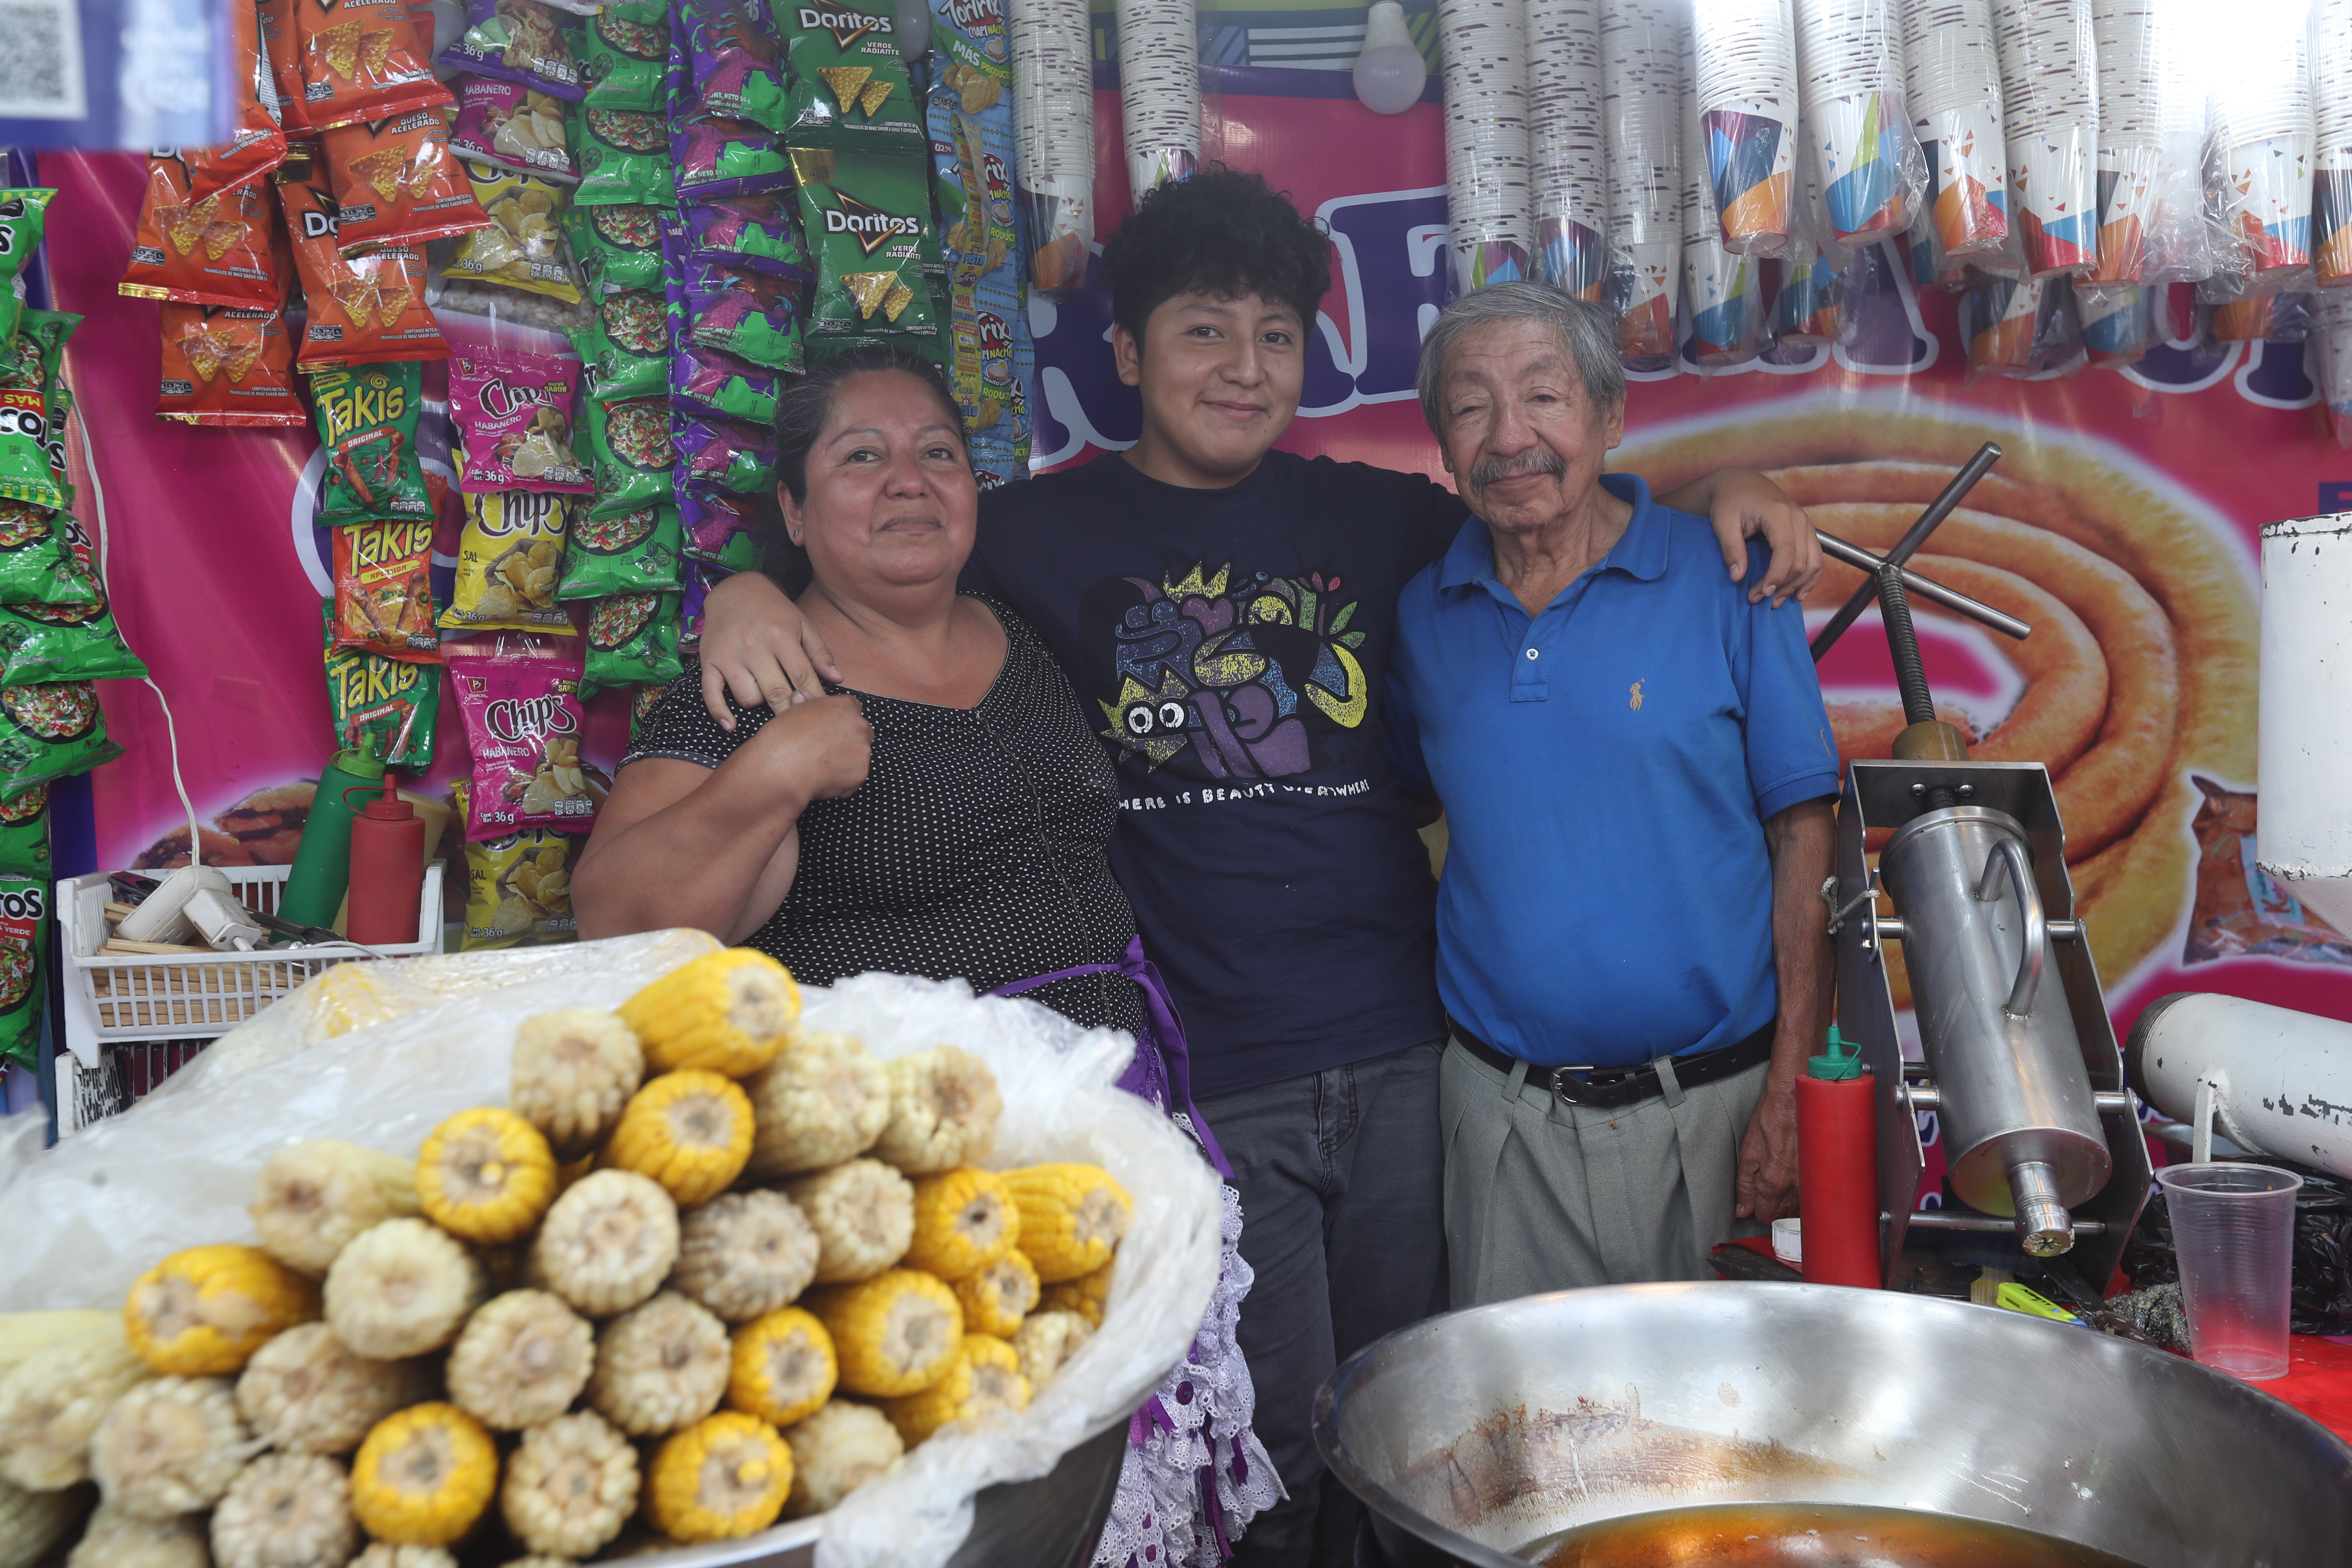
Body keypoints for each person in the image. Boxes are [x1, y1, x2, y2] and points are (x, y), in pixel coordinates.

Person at [689, 170, 1825, 1567]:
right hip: (1217, 1062)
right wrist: (740, 583)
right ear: (1126, 358)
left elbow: (1555, 496)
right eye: (1201, 334)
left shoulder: (1382, 522)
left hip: (1415, 1047)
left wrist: (1729, 485)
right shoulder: (1037, 537)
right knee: (1276, 1434)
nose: (1242, 368)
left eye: (1274, 335)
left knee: (1436, 1420)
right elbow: (875, 538)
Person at [570, 344, 1280, 1565]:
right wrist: (779, 767)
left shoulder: (1022, 630)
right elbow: (617, 926)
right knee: (1006, 1508)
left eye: (937, 454)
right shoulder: (755, 682)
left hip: (1119, 1149)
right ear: (792, 511)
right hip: (930, 1185)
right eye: (861, 458)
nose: (908, 481)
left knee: (1142, 1490)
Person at [1387, 281, 1840, 1304]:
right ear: (1445, 449)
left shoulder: (1727, 573)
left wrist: (1792, 1088)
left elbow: (1804, 833)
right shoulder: (1423, 614)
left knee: (1731, 1441)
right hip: (1504, 1126)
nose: (1511, 438)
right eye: (1471, 408)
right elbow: (1420, 806)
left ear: (1609, 417)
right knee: (1525, 1447)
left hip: (1717, 1112)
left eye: (1544, 397)